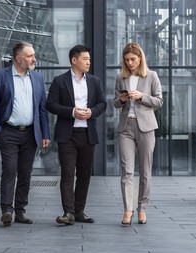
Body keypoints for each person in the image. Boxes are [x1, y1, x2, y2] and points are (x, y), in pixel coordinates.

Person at [0, 41, 51, 227]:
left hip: (31, 133)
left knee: (25, 172)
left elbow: (42, 109)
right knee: (9, 170)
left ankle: (21, 210)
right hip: (8, 131)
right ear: (18, 58)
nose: (34, 59)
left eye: (33, 55)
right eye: (30, 56)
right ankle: (7, 210)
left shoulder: (37, 78)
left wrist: (45, 134)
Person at [47, 44, 107, 225]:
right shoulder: (59, 81)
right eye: (85, 59)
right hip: (68, 135)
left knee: (84, 175)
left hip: (88, 134)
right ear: (74, 60)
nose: (89, 62)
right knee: (67, 174)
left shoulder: (94, 81)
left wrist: (92, 112)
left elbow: (102, 104)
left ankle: (79, 211)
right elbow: (50, 104)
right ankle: (68, 213)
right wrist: (72, 111)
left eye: (89, 59)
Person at [113, 43, 163, 225]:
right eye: (127, 60)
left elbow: (159, 101)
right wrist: (122, 99)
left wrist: (141, 96)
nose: (130, 63)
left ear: (140, 58)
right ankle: (128, 210)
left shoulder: (151, 76)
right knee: (126, 171)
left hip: (146, 127)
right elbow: (115, 103)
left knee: (145, 171)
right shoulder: (120, 77)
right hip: (126, 127)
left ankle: (142, 208)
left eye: (133, 59)